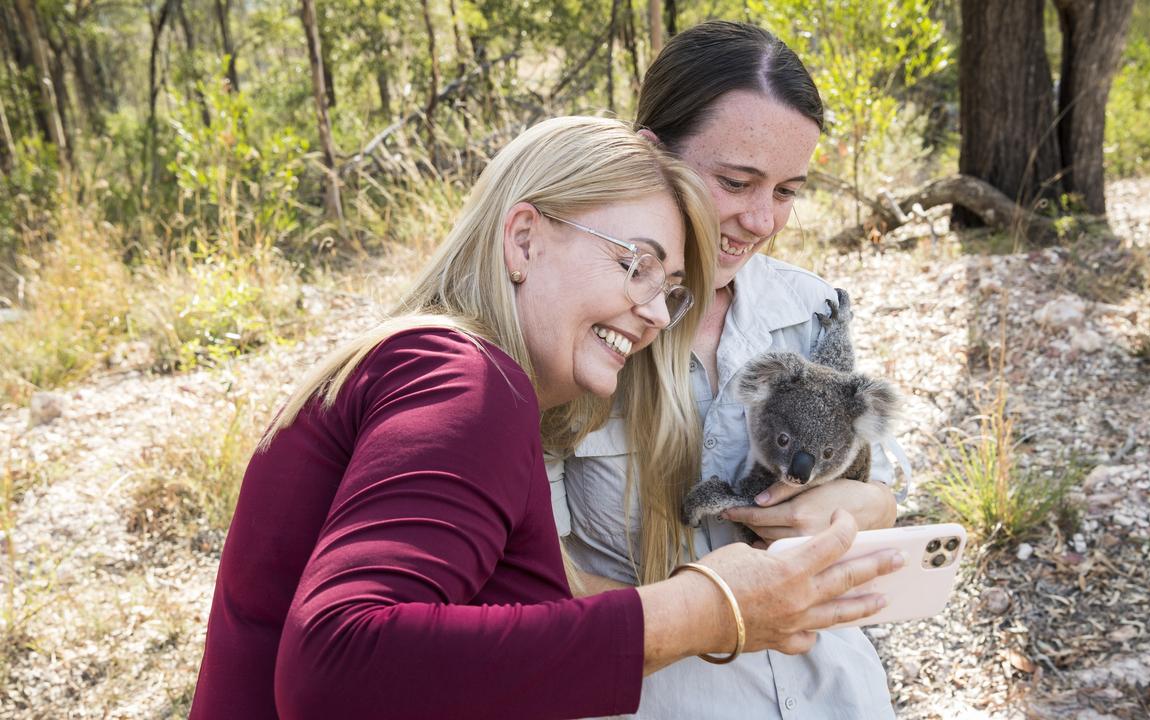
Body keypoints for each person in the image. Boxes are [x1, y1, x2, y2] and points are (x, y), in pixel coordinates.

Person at [188, 116, 904, 720]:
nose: (656, 313)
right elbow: (336, 663)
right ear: (523, 239)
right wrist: (710, 610)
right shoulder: (464, 381)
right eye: (636, 265)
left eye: (673, 290)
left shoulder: (433, 369)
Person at [554, 22, 911, 719]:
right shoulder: (571, 324)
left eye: (787, 191)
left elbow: (877, 484)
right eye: (736, 182)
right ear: (651, 155)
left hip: (832, 693)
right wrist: (715, 613)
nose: (761, 219)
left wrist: (872, 508)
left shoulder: (811, 310)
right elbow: (532, 590)